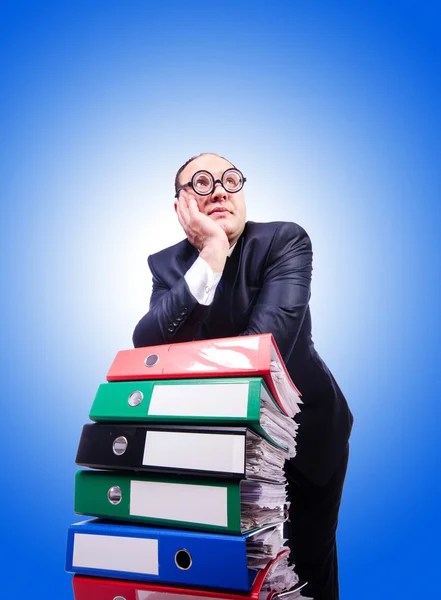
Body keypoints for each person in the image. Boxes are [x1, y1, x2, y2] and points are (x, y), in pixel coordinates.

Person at [133, 152, 353, 600]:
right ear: (180, 207)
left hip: (300, 437)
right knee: (230, 565)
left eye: (231, 180)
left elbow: (261, 352)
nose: (219, 189)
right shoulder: (166, 265)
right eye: (201, 182)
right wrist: (210, 257)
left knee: (300, 562)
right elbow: (146, 345)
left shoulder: (283, 241)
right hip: (215, 439)